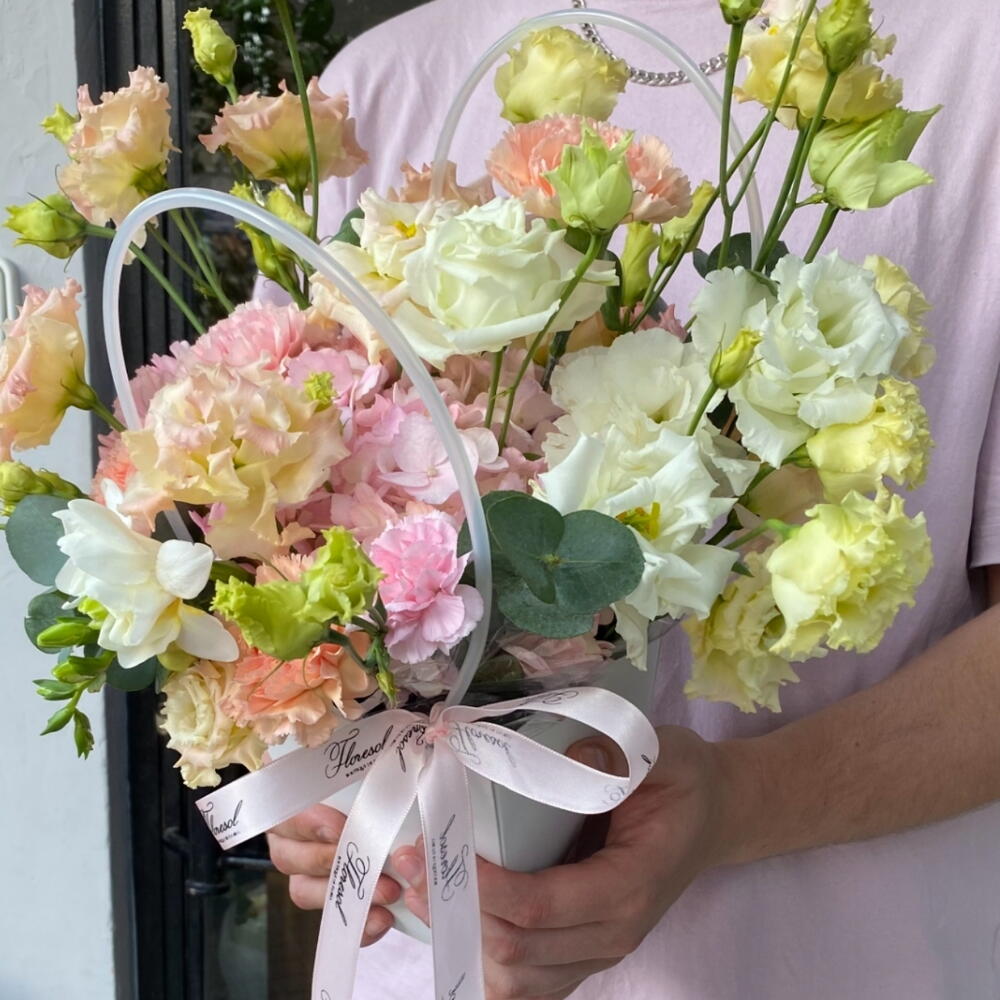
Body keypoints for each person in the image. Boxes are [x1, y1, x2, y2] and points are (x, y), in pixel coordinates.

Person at [266, 1, 1000, 997]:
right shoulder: (373, 94)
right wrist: (305, 776)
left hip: (832, 962)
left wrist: (739, 804)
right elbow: (273, 540)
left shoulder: (970, 60)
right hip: (419, 962)